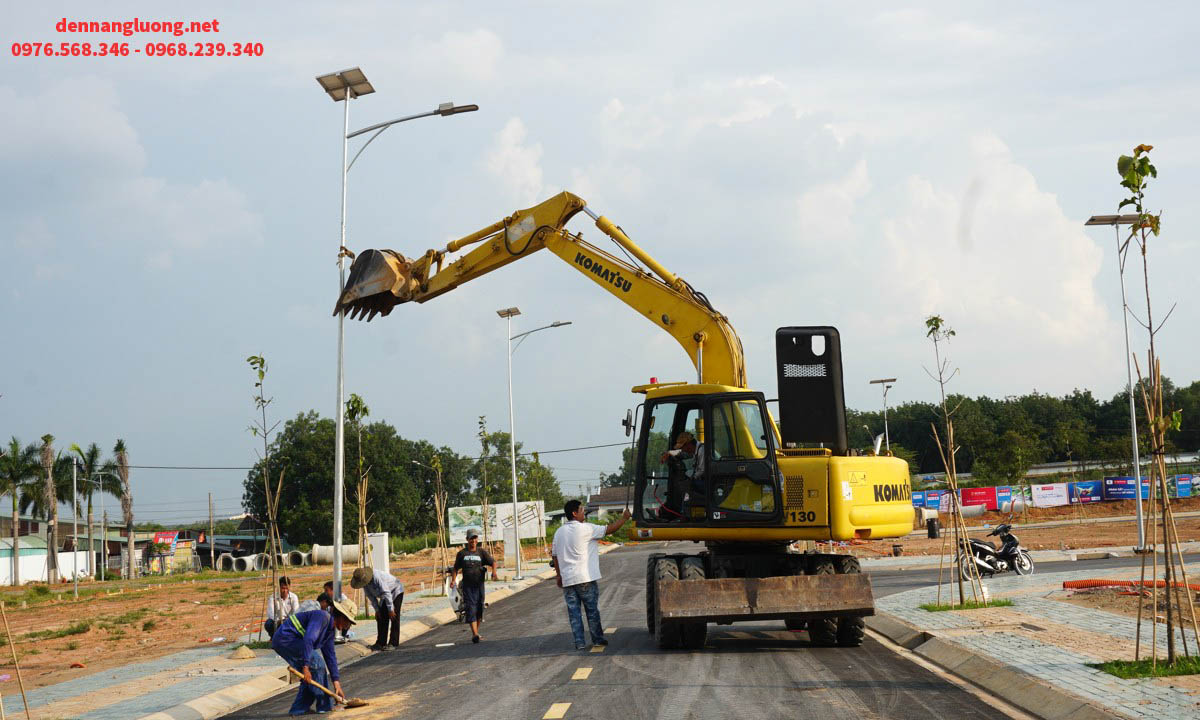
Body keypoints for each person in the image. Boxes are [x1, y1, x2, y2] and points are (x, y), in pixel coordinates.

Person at [551, 500, 632, 650]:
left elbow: (554, 556)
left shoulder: (558, 532)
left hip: (568, 580)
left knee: (574, 613)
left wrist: (559, 576)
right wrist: (624, 518)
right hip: (585, 579)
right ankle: (597, 639)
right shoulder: (586, 529)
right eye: (582, 510)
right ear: (574, 513)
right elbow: (610, 529)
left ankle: (580, 642)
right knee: (591, 610)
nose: (584, 513)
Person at [270, 596, 358, 716]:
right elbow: (308, 639)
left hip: (292, 641)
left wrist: (336, 682)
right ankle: (324, 706)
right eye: (348, 622)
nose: (348, 626)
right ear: (341, 616)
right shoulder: (323, 617)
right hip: (286, 639)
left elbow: (330, 655)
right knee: (317, 665)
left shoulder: (330, 630)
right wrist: (305, 666)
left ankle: (299, 709)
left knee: (313, 671)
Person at [449, 529, 498, 644]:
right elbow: (455, 568)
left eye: (475, 538)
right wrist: (453, 580)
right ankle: (475, 634)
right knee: (471, 608)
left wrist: (494, 572)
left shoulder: (481, 552)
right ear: (467, 539)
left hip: (479, 585)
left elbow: (493, 562)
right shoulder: (462, 554)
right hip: (467, 586)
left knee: (479, 609)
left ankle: (477, 632)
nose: (474, 540)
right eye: (471, 538)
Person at [350, 566, 404, 651]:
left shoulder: (377, 577)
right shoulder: (365, 584)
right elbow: (371, 597)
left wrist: (390, 609)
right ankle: (381, 643)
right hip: (384, 595)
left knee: (394, 617)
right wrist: (377, 610)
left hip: (395, 590)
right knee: (381, 617)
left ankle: (393, 643)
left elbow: (386, 592)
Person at [659, 431, 706, 518]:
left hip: (707, 484)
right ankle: (683, 510)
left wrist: (691, 479)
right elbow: (681, 453)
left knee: (685, 485)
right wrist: (669, 453)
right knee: (685, 484)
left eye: (683, 447)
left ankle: (683, 512)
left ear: (688, 444)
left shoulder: (702, 451)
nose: (683, 450)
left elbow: (702, 471)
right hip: (702, 481)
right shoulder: (695, 450)